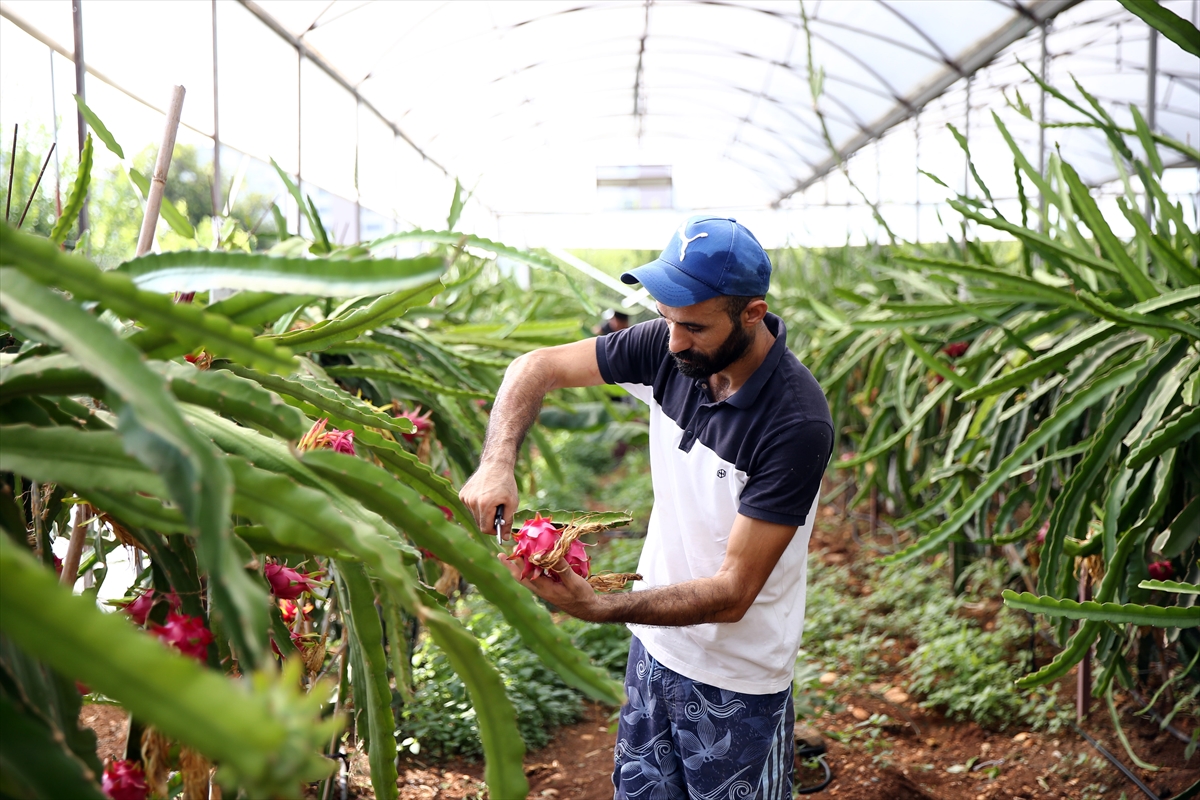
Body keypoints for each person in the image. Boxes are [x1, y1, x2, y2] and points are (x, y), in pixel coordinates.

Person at [460, 216, 833, 800]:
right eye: (667, 319)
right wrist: (496, 460)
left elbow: (734, 592)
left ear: (752, 313)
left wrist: (600, 605)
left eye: (694, 326)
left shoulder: (795, 423)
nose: (675, 340)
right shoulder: (670, 348)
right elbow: (535, 366)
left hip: (737, 678)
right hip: (654, 648)